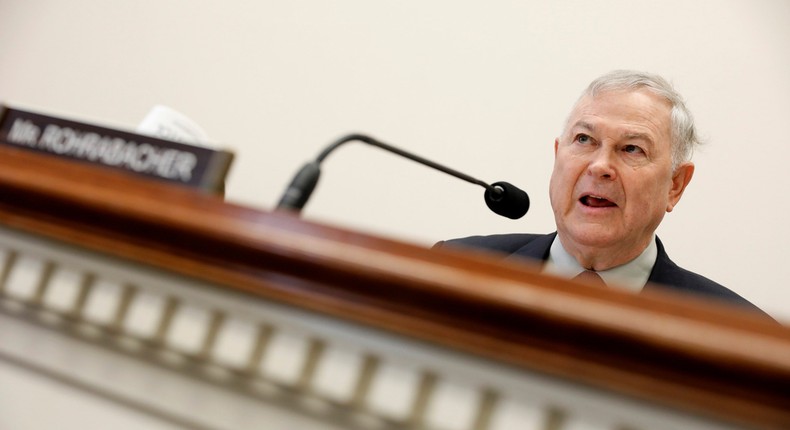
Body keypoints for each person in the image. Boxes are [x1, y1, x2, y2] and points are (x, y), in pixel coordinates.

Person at [437, 70, 767, 315]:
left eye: (632, 149)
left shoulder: (740, 329)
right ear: (557, 156)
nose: (600, 166)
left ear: (675, 185)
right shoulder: (451, 269)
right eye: (584, 140)